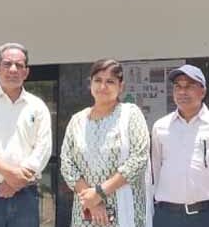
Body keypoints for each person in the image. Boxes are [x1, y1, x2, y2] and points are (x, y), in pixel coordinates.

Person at [0, 42, 53, 227]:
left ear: (26, 72)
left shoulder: (38, 106)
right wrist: (9, 173)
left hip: (26, 194)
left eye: (19, 65)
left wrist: (15, 183)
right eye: (7, 64)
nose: (13, 69)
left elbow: (43, 149)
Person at [60, 58, 151, 227]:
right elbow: (67, 164)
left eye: (110, 81)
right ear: (90, 84)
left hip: (125, 209)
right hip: (86, 211)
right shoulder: (77, 121)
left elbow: (139, 159)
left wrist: (99, 193)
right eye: (98, 80)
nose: (103, 86)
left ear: (121, 86)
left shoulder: (131, 115)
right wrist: (92, 200)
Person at [151, 64, 209, 227]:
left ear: (203, 91)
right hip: (167, 216)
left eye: (189, 86)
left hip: (207, 216)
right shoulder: (160, 127)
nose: (182, 92)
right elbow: (156, 171)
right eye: (178, 86)